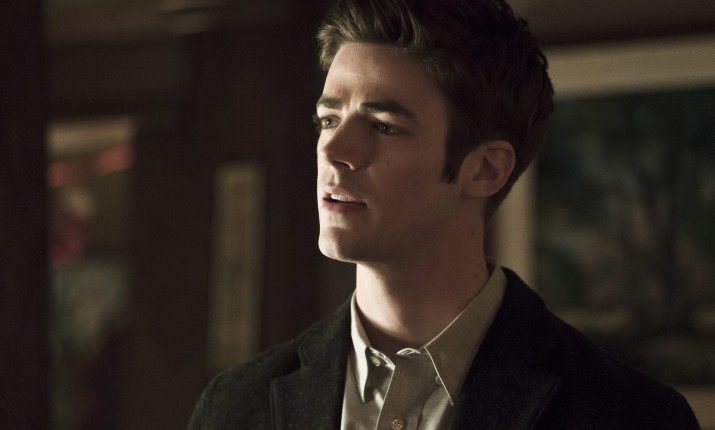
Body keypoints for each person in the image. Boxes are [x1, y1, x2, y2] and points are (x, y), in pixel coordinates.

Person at [188, 0, 700, 428]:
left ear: (485, 170)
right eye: (328, 119)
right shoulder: (235, 406)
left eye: (383, 126)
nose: (334, 149)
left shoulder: (630, 416)